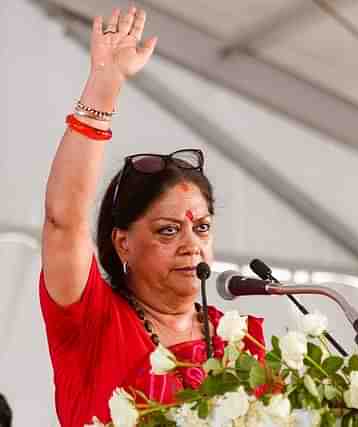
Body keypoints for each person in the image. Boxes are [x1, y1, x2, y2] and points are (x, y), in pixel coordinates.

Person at [39, 7, 265, 427]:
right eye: (167, 230)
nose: (191, 244)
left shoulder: (240, 340)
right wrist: (105, 87)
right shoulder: (91, 318)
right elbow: (63, 221)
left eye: (201, 228)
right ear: (122, 241)